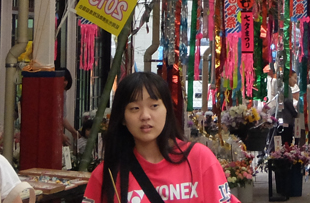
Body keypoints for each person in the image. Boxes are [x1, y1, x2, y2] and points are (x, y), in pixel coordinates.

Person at [83, 72, 236, 203]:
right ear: (123, 117)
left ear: (167, 110)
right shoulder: (106, 174)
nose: (145, 116)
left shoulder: (199, 159)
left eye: (154, 106)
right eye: (134, 108)